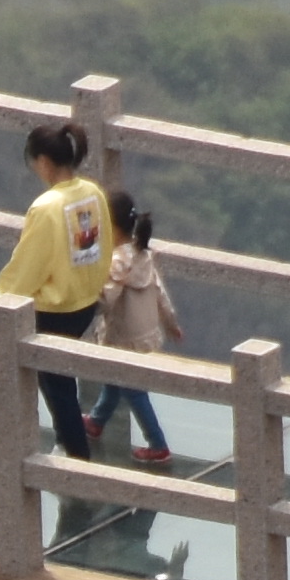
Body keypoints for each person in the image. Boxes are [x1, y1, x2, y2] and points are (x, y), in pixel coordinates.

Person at [0, 120, 110, 459]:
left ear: (43, 161)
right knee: (60, 379)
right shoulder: (92, 192)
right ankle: (71, 445)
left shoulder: (47, 207)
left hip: (54, 310)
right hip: (85, 302)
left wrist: (3, 297)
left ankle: (75, 453)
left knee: (56, 385)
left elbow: (31, 263)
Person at [87, 187, 181, 465]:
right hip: (145, 334)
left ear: (111, 227)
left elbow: (107, 298)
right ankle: (96, 420)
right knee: (117, 380)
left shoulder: (119, 260)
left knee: (133, 390)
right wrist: (171, 322)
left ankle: (158, 444)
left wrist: (84, 298)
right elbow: (159, 292)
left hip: (124, 336)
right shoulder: (143, 253)